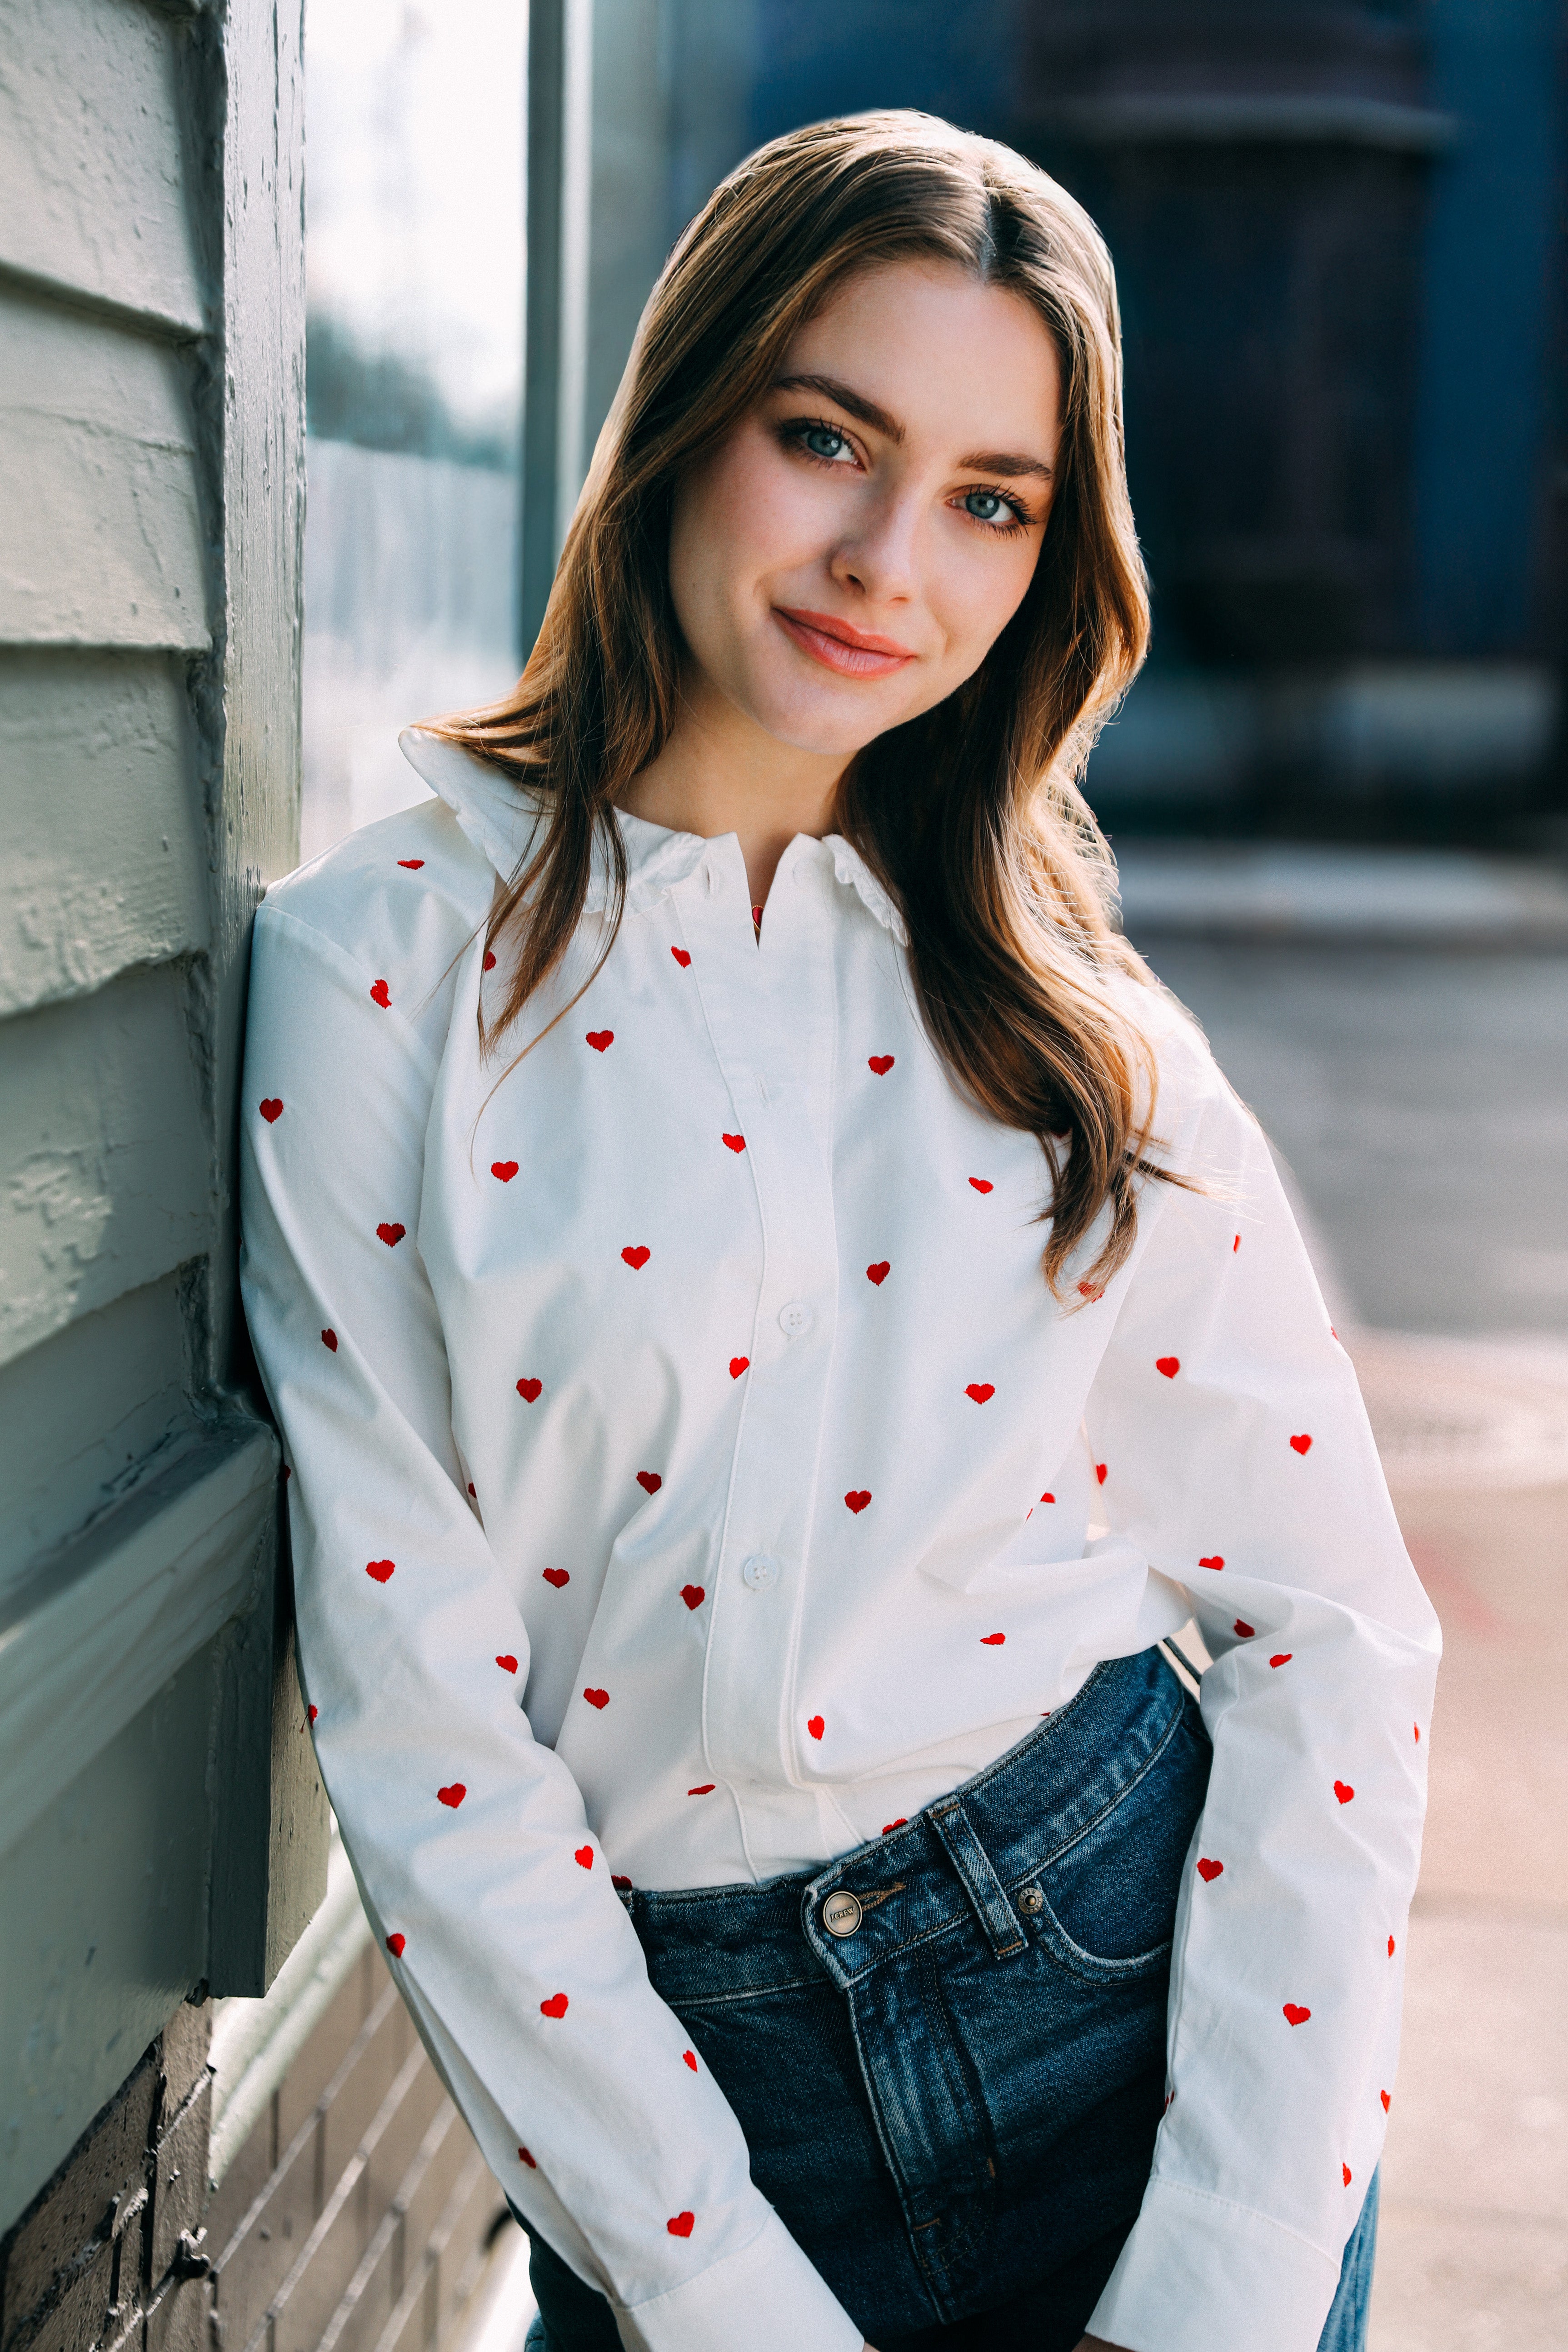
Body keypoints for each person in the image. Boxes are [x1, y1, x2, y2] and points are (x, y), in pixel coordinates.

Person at [240, 111, 1438, 2352]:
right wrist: (709, 2286)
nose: (892, 558)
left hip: (1132, 2030)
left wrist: (1238, 2269)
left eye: (990, 499)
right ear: (690, 415)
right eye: (828, 439)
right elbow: (425, 1720)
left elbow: (1331, 1628)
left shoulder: (1068, 1020)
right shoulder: (378, 967)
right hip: (677, 2110)